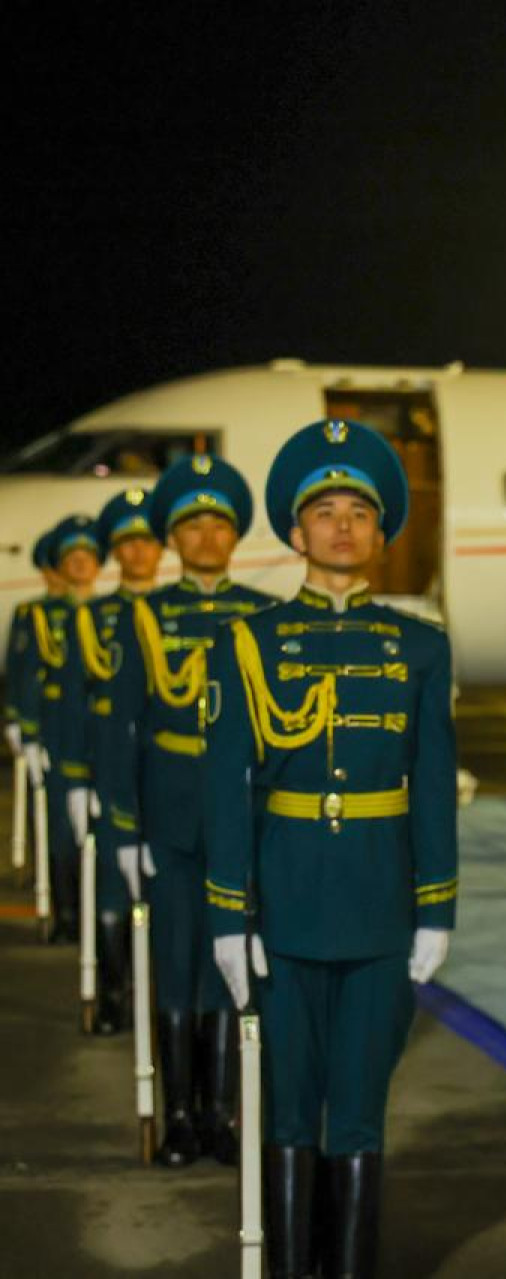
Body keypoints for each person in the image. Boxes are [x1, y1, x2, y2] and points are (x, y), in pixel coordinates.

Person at [203, 419, 456, 1278]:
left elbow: (432, 784)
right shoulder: (249, 643)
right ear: (296, 531)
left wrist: (437, 907)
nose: (343, 526)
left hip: (380, 910)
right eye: (325, 511)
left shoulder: (420, 647)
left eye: (360, 512)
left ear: (381, 534)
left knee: (358, 1110)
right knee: (285, 1109)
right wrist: (228, 915)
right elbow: (228, 787)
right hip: (282, 909)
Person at [96, 455, 276, 1164]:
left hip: (242, 816)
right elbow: (120, 727)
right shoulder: (144, 616)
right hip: (170, 818)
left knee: (230, 963)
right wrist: (124, 827)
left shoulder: (262, 615)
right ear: (173, 538)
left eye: (218, 525)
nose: (206, 537)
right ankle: (177, 1115)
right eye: (193, 526)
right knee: (176, 961)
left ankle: (220, 1114)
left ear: (235, 537)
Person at [71, 488, 167, 1034]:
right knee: (114, 887)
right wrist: (78, 774)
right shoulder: (95, 617)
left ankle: (160, 998)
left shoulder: (174, 613)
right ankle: (114, 994)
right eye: (128, 543)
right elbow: (80, 701)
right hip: (111, 765)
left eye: (147, 541)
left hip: (169, 770)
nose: (138, 552)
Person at [32, 514, 104, 943]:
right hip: (61, 733)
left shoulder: (111, 614)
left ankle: (101, 922)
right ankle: (69, 915)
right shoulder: (42, 615)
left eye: (87, 555)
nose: (80, 563)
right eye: (71, 557)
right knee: (63, 832)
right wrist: (28, 729)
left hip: (106, 736)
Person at [5, 530, 63, 829]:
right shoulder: (30, 612)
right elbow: (17, 667)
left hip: (76, 720)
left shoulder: (86, 611)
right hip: (41, 715)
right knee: (40, 804)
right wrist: (15, 717)